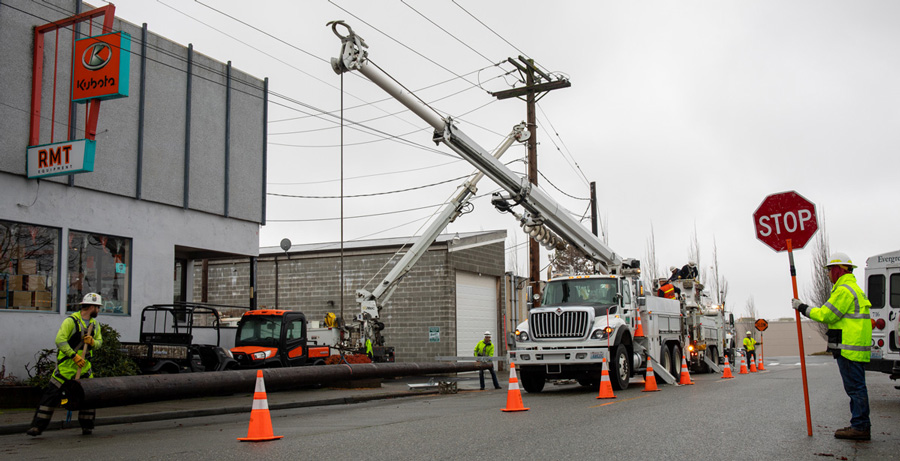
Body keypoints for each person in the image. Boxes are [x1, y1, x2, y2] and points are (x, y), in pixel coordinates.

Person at [793, 252, 872, 441]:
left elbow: (827, 315)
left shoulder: (844, 290)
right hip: (853, 346)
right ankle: (859, 424)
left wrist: (802, 307)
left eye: (829, 270)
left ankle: (860, 427)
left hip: (849, 348)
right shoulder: (853, 288)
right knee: (857, 388)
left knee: (855, 389)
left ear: (838, 269)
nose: (828, 274)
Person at [27, 293, 104, 437]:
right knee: (49, 398)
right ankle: (37, 427)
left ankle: (87, 427)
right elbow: (60, 340)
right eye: (98, 308)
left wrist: (93, 343)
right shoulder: (71, 321)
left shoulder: (95, 325)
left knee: (89, 399)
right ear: (92, 307)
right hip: (65, 368)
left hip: (85, 368)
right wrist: (74, 356)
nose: (99, 311)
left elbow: (100, 342)